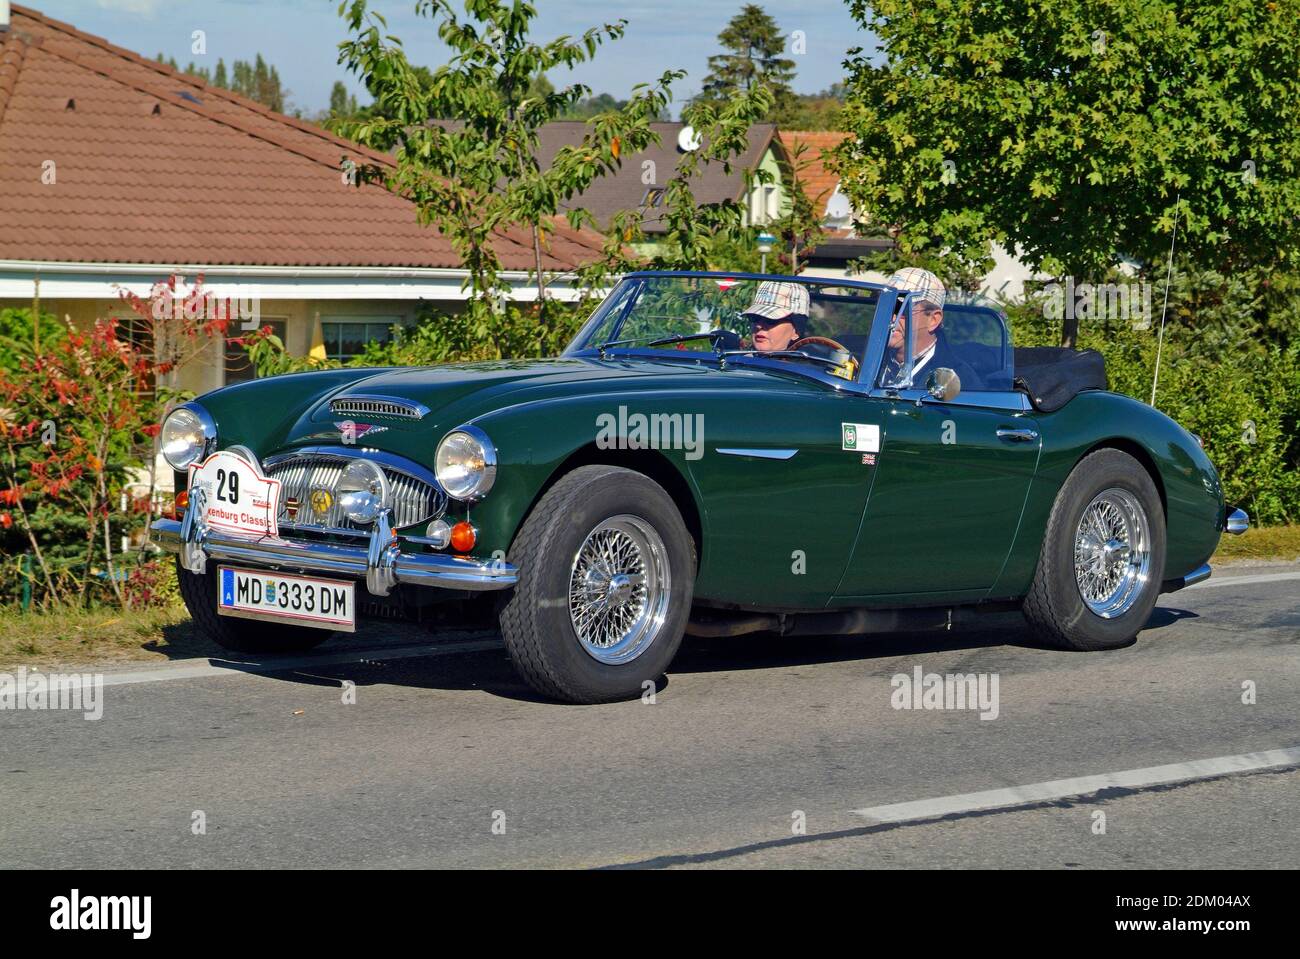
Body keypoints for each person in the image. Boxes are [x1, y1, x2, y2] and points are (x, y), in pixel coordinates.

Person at [880, 267, 977, 389]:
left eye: (902, 309)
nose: (891, 317)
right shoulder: (863, 357)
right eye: (885, 306)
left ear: (933, 320)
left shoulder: (960, 381)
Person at [741, 281, 810, 352]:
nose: (758, 326)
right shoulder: (738, 357)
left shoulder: (809, 359)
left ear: (796, 332)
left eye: (770, 320)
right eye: (754, 318)